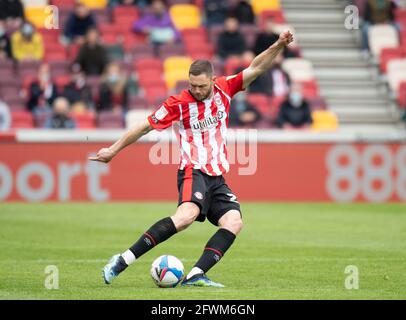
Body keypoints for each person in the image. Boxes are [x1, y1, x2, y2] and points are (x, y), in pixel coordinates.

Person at [89, 30, 294, 287]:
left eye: (201, 85)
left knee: (234, 221)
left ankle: (196, 274)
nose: (196, 90)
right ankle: (121, 260)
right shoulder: (178, 103)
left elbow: (256, 67)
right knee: (186, 216)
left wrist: (278, 45)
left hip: (216, 177)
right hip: (192, 170)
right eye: (192, 85)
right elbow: (144, 127)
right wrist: (113, 149)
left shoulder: (225, 88)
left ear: (212, 80)